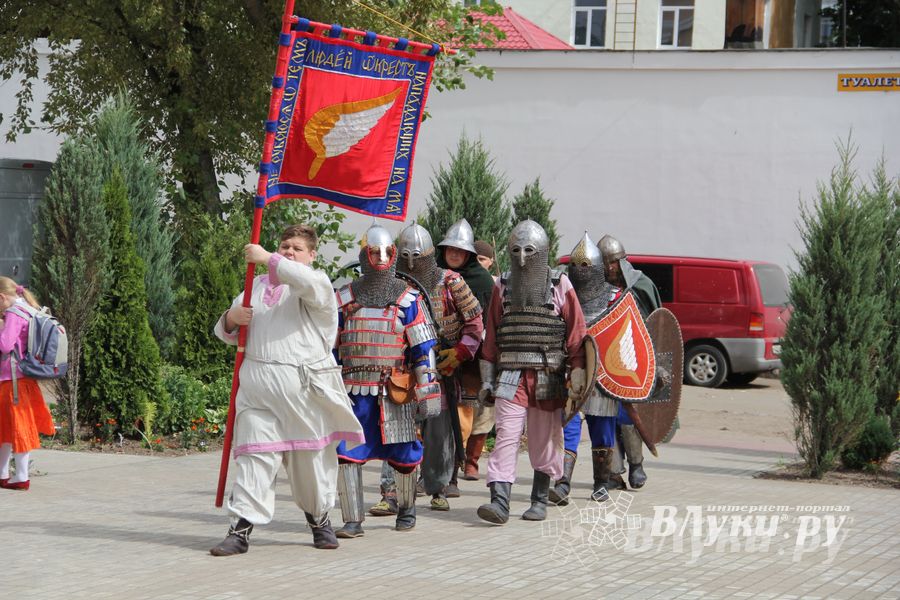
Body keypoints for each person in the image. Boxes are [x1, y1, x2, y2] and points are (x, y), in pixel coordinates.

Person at [209, 225, 364, 556]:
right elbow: (226, 333)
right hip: (257, 392)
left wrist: (269, 257)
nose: (289, 252)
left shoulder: (316, 287)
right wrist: (232, 318)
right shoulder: (253, 287)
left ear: (311, 255)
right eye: (284, 246)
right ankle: (240, 531)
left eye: (296, 248)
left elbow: (307, 282)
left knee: (310, 465)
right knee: (253, 460)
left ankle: (319, 520)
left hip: (304, 394)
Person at [477, 220, 587, 524]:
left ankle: (539, 499)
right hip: (510, 374)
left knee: (544, 439)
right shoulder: (502, 285)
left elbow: (576, 335)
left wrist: (578, 374)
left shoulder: (560, 285)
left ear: (541, 253)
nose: (523, 258)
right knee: (506, 437)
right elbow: (491, 336)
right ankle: (499, 502)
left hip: (546, 375)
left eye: (529, 251)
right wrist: (487, 380)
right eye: (516, 250)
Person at [334, 224, 441, 537]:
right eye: (374, 251)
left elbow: (424, 349)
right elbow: (329, 348)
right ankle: (352, 520)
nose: (381, 257)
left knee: (405, 453)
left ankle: (406, 510)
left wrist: (428, 389)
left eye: (386, 251)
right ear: (364, 255)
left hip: (395, 391)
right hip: (353, 391)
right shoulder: (344, 298)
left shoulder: (408, 299)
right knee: (346, 454)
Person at [396, 223, 483, 512]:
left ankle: (439, 484)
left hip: (440, 366)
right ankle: (396, 488)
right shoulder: (393, 282)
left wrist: (459, 353)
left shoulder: (451, 282)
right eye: (404, 256)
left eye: (415, 256)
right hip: (402, 367)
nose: (410, 263)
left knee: (439, 431)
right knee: (400, 426)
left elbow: (474, 323)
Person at [549, 234, 620, 504]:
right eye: (577, 266)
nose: (581, 271)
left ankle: (601, 481)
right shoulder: (563, 295)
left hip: (604, 377)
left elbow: (626, 337)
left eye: (587, 266)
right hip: (571, 373)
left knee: (602, 430)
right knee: (567, 426)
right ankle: (562, 482)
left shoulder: (615, 298)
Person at [598, 234, 663, 490]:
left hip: (633, 360)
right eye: (605, 263)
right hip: (604, 362)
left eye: (613, 263)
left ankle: (636, 465)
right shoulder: (596, 288)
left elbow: (655, 325)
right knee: (606, 418)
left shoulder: (640, 285)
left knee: (628, 417)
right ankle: (613, 472)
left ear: (622, 262)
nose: (609, 268)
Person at [437, 224, 496, 486]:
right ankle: (436, 468)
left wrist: (466, 348)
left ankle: (464, 464)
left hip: (472, 356)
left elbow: (488, 319)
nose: (454, 253)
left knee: (469, 415)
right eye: (450, 248)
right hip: (435, 354)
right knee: (433, 417)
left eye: (459, 250)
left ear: (468, 254)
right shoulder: (434, 275)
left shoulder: (482, 281)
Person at [0, 277, 55, 492]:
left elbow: (5, 345)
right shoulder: (28, 308)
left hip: (13, 380)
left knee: (18, 427)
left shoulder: (14, 313)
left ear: (1, 297)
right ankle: (4, 473)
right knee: (5, 427)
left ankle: (21, 476)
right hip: (22, 379)